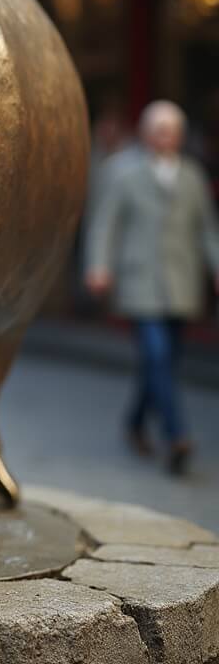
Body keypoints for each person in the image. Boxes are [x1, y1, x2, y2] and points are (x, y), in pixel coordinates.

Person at [86, 100, 219, 474]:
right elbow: (105, 223)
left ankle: (134, 423)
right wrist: (99, 266)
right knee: (157, 355)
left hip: (181, 281)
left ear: (179, 135)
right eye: (157, 129)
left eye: (170, 129)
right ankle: (177, 434)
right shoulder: (124, 173)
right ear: (146, 133)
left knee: (162, 362)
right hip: (140, 280)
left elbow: (207, 229)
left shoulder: (192, 176)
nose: (164, 136)